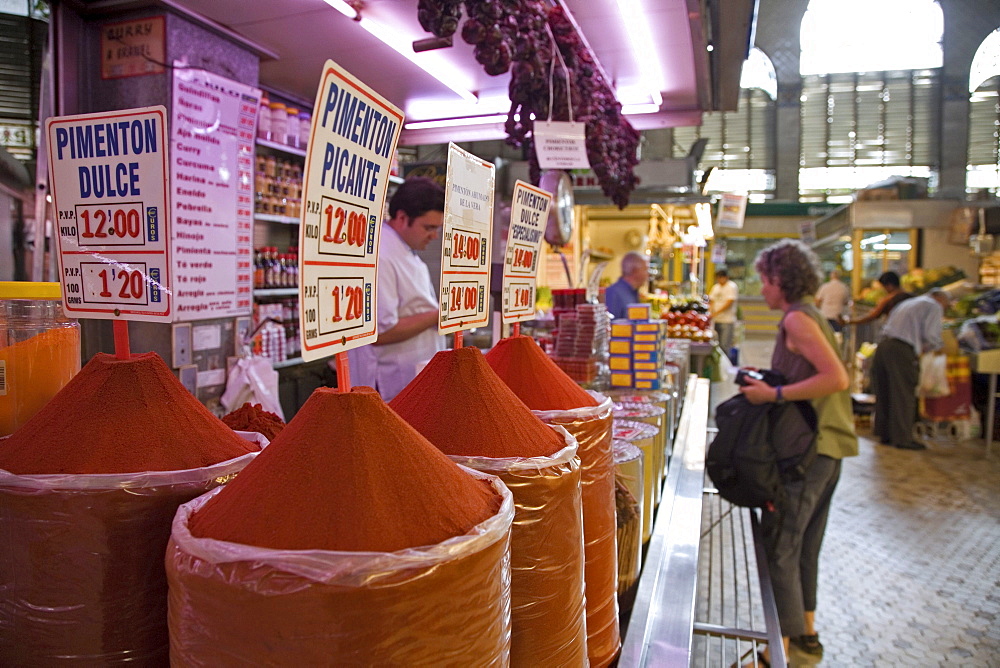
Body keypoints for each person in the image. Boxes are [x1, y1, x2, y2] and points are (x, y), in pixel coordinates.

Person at [738, 239, 857, 665]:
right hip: (828, 449)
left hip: (809, 452)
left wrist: (774, 393)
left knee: (782, 548)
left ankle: (778, 653)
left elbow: (836, 378)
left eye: (765, 281)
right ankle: (806, 636)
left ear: (779, 280)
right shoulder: (808, 316)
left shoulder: (796, 321)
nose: (762, 289)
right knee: (805, 546)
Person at [346, 177, 445, 401]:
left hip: (414, 379)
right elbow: (379, 333)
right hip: (391, 382)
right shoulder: (380, 254)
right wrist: (438, 316)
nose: (434, 236)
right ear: (402, 217)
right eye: (429, 227)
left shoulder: (404, 249)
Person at [869, 288, 951, 451]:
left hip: (884, 346)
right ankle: (903, 438)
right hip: (902, 349)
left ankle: (885, 434)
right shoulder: (933, 306)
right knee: (903, 394)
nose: (945, 309)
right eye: (947, 306)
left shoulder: (909, 303)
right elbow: (931, 335)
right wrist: (940, 348)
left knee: (885, 392)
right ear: (940, 299)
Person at [844, 270, 911, 327]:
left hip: (896, 332)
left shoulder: (889, 300)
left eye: (884, 287)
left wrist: (849, 322)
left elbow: (871, 316)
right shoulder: (911, 297)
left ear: (889, 285)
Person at [605, 251, 649, 320]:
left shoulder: (633, 292)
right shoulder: (613, 293)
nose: (647, 274)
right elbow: (610, 326)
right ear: (635, 270)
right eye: (645, 269)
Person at [708, 268, 739, 354]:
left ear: (726, 277)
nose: (719, 280)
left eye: (721, 278)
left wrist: (716, 312)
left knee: (724, 345)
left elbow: (729, 302)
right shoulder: (716, 287)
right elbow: (712, 300)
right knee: (716, 345)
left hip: (727, 320)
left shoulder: (731, 287)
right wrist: (710, 312)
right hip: (716, 320)